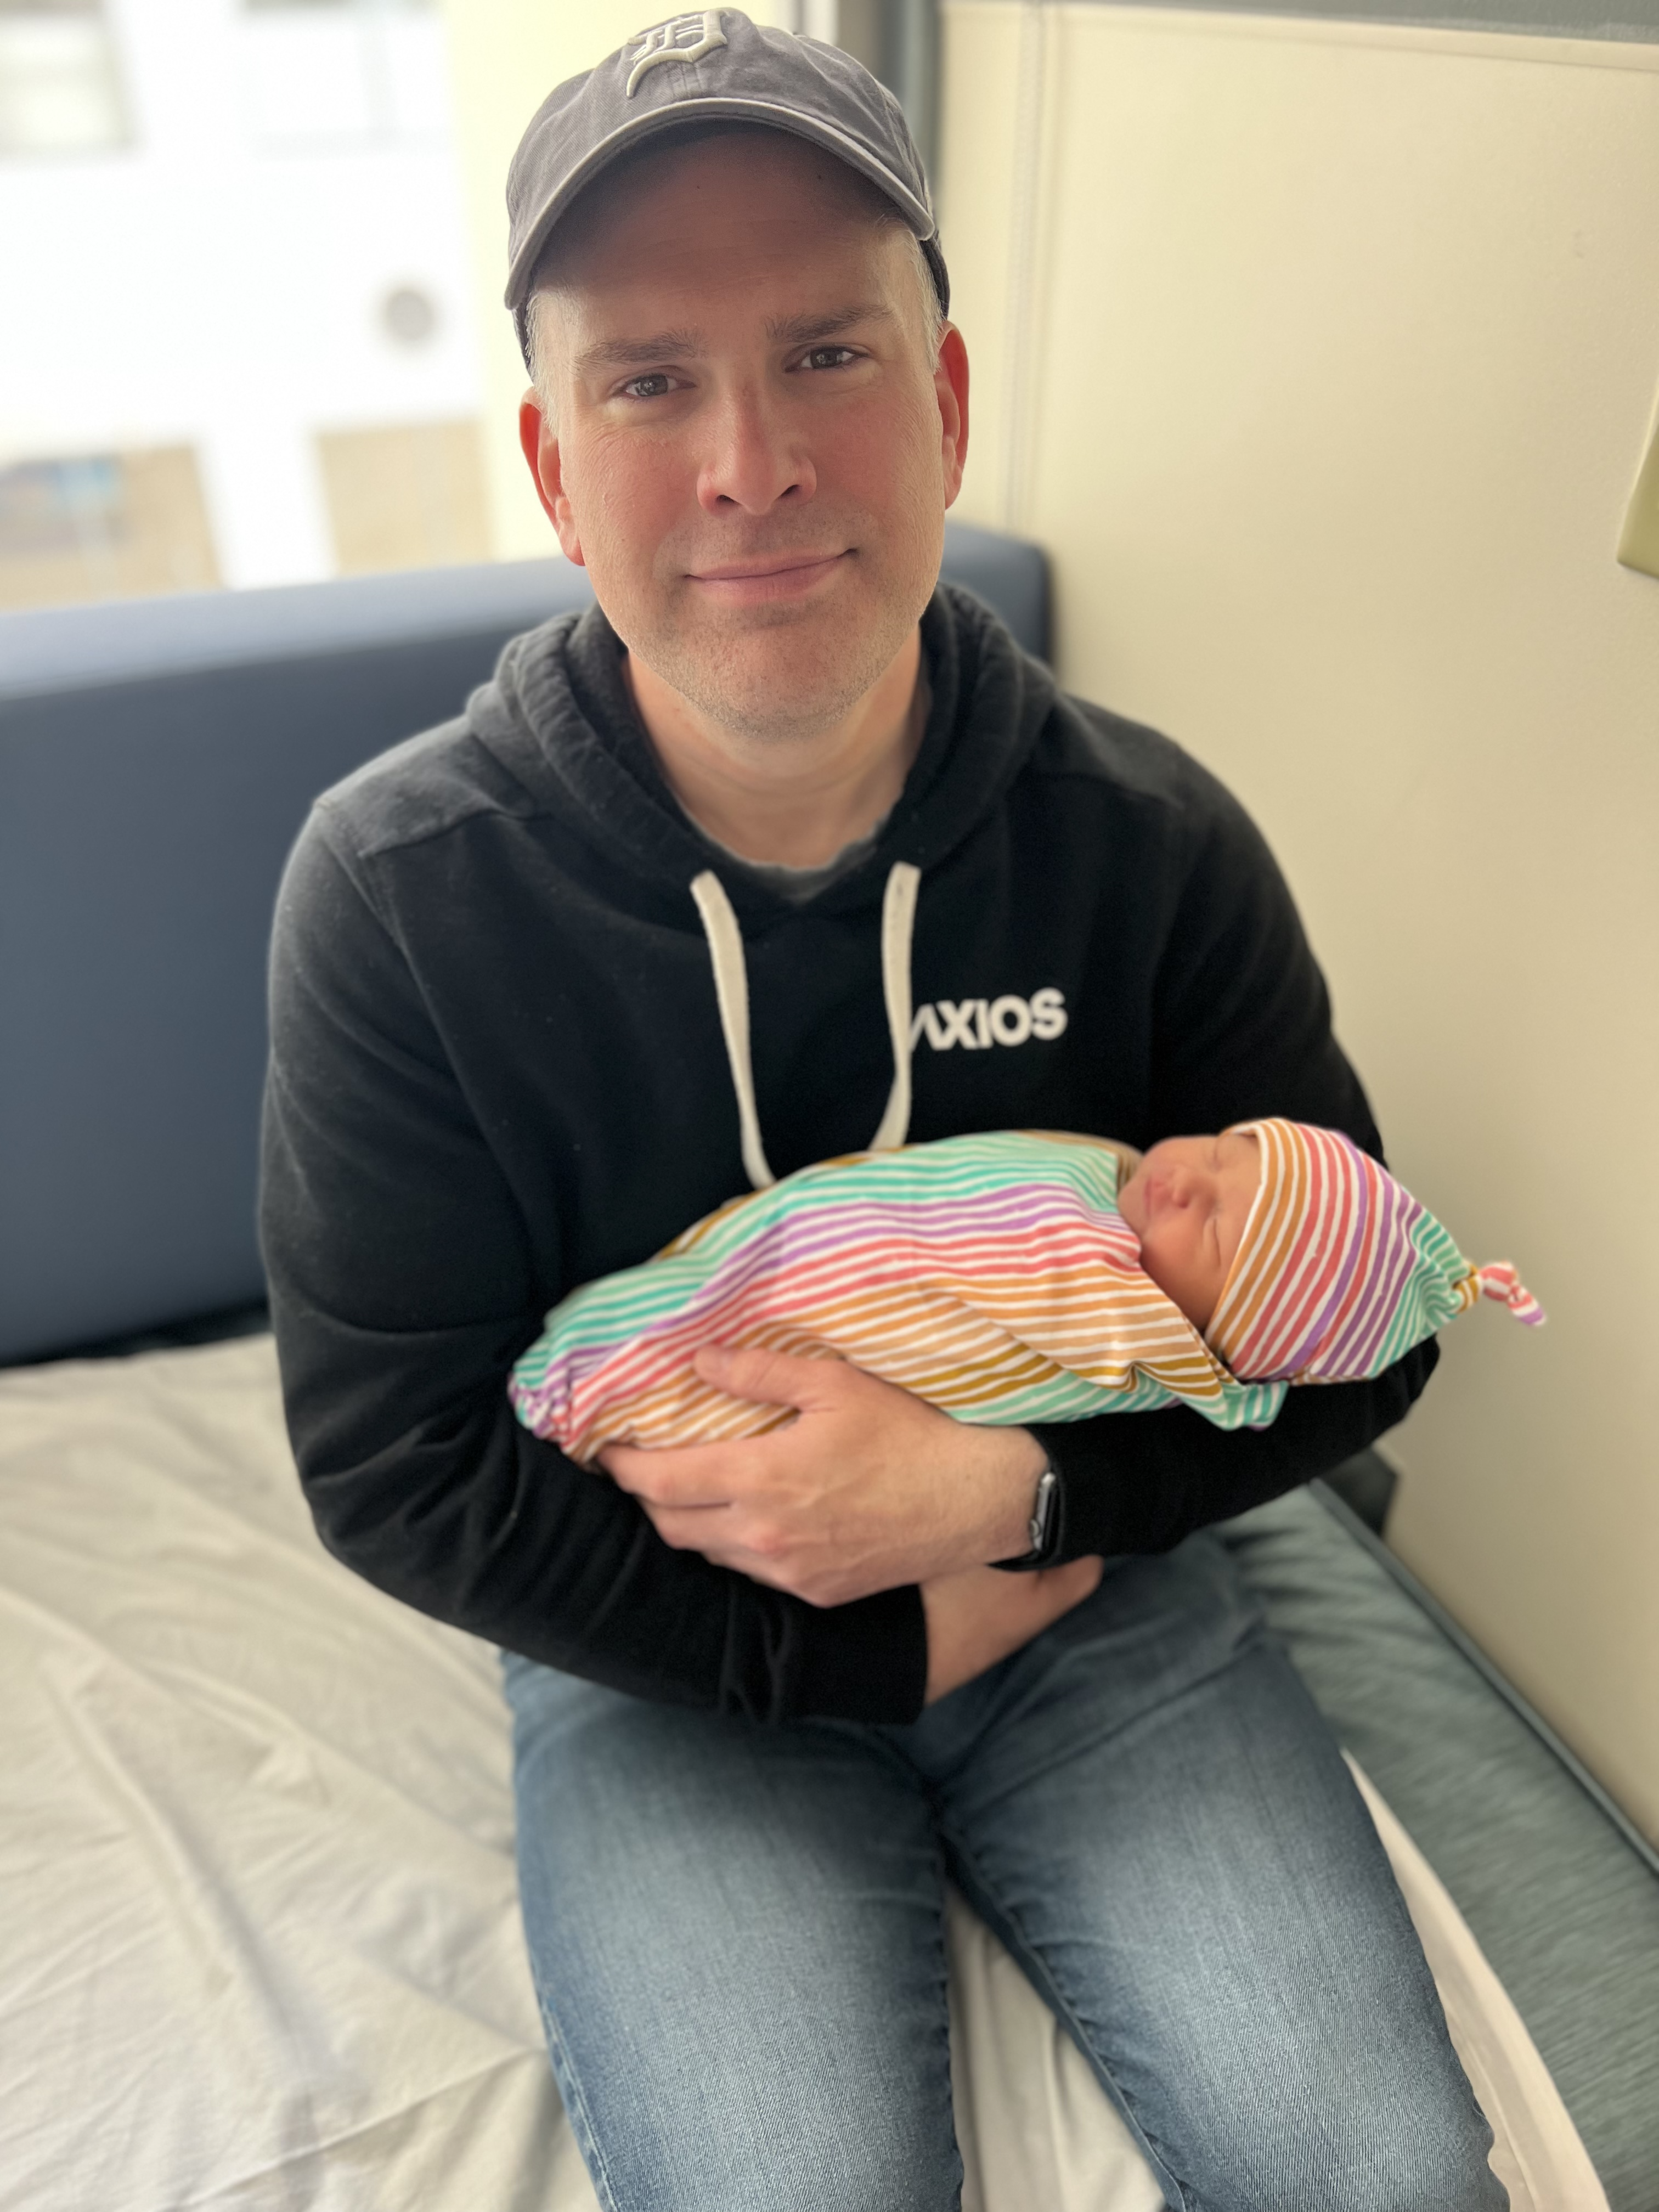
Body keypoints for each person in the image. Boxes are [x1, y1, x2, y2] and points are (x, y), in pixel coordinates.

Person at [259, 14, 1509, 2207]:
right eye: (649, 380)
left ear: (941, 408)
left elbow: (1373, 1323)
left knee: (1380, 2170)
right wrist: (844, 1624)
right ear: (553, 469)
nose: (750, 462)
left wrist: (1011, 1497)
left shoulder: (1147, 841)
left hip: (1097, 1591)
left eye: (828, 353)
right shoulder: (398, 898)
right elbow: (392, 1459)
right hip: (664, 1650)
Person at [506, 1117, 1543, 1465]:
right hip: (738, 1284)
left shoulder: (1122, 1320)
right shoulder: (1102, 1186)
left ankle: (602, 1382)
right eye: (1227, 1149)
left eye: (1216, 1228)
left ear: (1227, 1334)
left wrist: (1016, 1509)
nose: (1182, 1176)